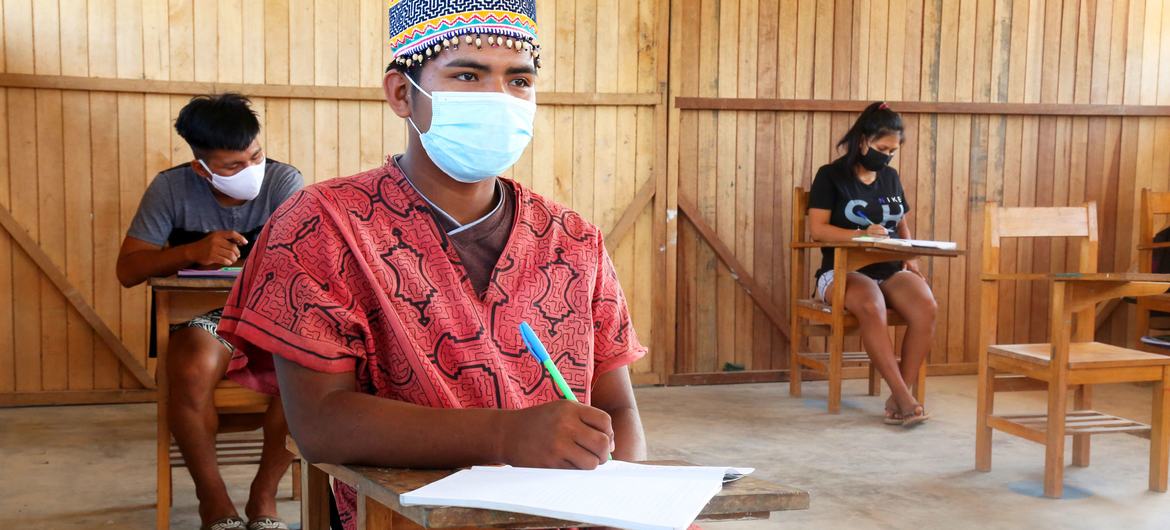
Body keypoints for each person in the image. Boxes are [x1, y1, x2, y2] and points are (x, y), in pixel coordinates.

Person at [216, 2, 648, 529]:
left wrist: (626, 499)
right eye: (467, 74)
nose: (499, 98)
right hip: (409, 513)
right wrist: (506, 435)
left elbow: (617, 409)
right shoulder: (321, 225)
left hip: (575, 509)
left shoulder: (573, 237)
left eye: (519, 80)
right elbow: (321, 423)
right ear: (402, 94)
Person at [116, 93, 303, 530]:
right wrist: (191, 252)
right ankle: (213, 501)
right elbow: (128, 270)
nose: (249, 170)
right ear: (202, 167)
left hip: (270, 318)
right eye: (232, 167)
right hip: (204, 321)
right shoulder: (171, 188)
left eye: (254, 156)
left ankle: (264, 497)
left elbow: (308, 266)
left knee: (305, 364)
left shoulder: (283, 182)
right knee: (194, 362)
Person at [806, 101, 936, 427]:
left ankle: (899, 395)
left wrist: (911, 258)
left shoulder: (890, 178)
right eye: (882, 148)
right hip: (843, 270)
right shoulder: (830, 175)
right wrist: (860, 233)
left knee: (926, 305)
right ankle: (905, 398)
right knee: (871, 304)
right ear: (863, 140)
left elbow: (901, 224)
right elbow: (818, 229)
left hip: (889, 267)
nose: (887, 156)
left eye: (893, 151)